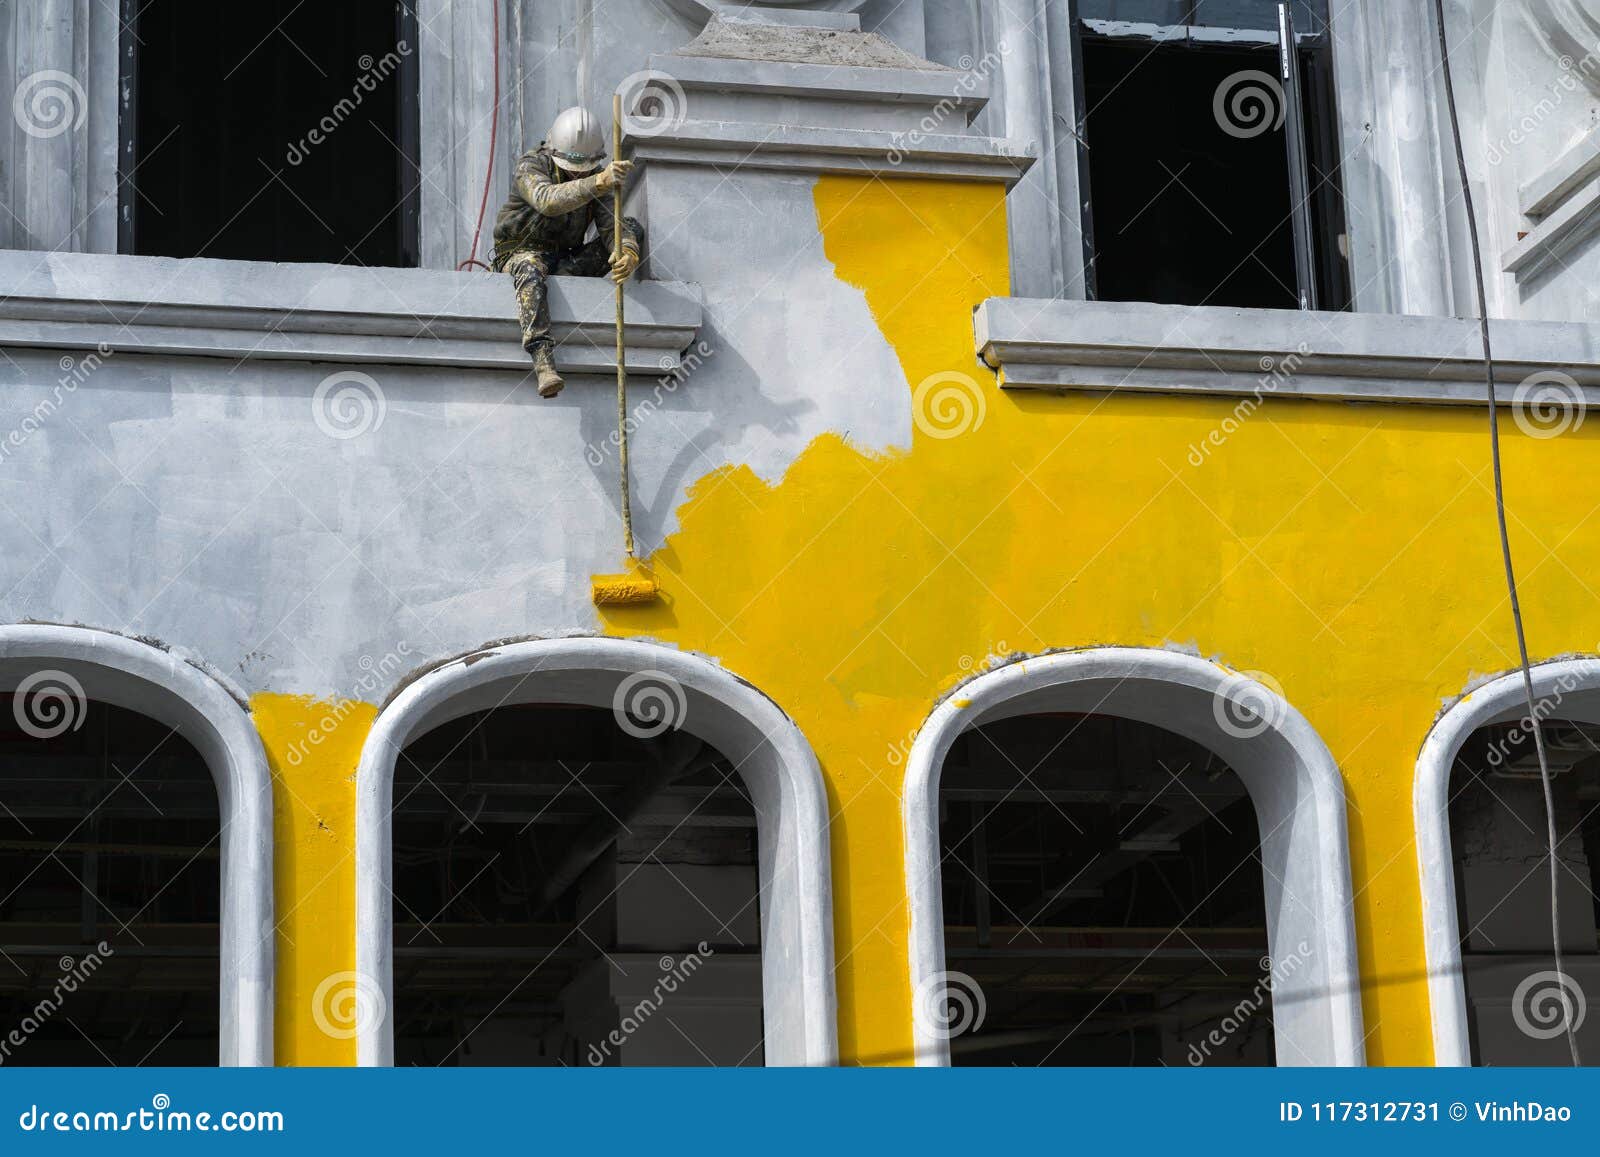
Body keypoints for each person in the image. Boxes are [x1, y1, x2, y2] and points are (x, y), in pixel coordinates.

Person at [490, 106, 643, 398]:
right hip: (520, 254)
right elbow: (546, 200)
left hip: (563, 261)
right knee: (530, 266)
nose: (577, 175)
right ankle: (543, 360)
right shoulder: (532, 165)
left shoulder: (599, 179)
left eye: (584, 171)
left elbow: (614, 227)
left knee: (633, 227)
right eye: (573, 169)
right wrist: (596, 182)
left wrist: (627, 251)